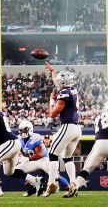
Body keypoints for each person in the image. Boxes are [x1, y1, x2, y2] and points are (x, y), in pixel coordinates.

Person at [43, 63, 81, 195]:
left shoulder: (64, 94)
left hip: (68, 127)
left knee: (52, 154)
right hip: (77, 128)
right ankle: (73, 184)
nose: (57, 83)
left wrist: (51, 101)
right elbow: (58, 81)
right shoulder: (72, 89)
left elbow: (53, 114)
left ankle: (51, 183)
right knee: (67, 157)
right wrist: (52, 70)